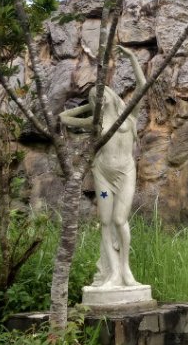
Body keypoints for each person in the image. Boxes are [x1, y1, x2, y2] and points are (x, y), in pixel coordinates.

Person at [60, 46, 146, 288]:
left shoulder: (129, 116)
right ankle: (113, 274)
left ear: (110, 93)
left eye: (102, 91)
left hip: (125, 173)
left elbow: (142, 86)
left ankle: (126, 271)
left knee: (121, 220)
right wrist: (89, 107)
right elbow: (64, 119)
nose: (99, 95)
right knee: (106, 222)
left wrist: (131, 58)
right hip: (103, 177)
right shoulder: (94, 122)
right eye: (94, 94)